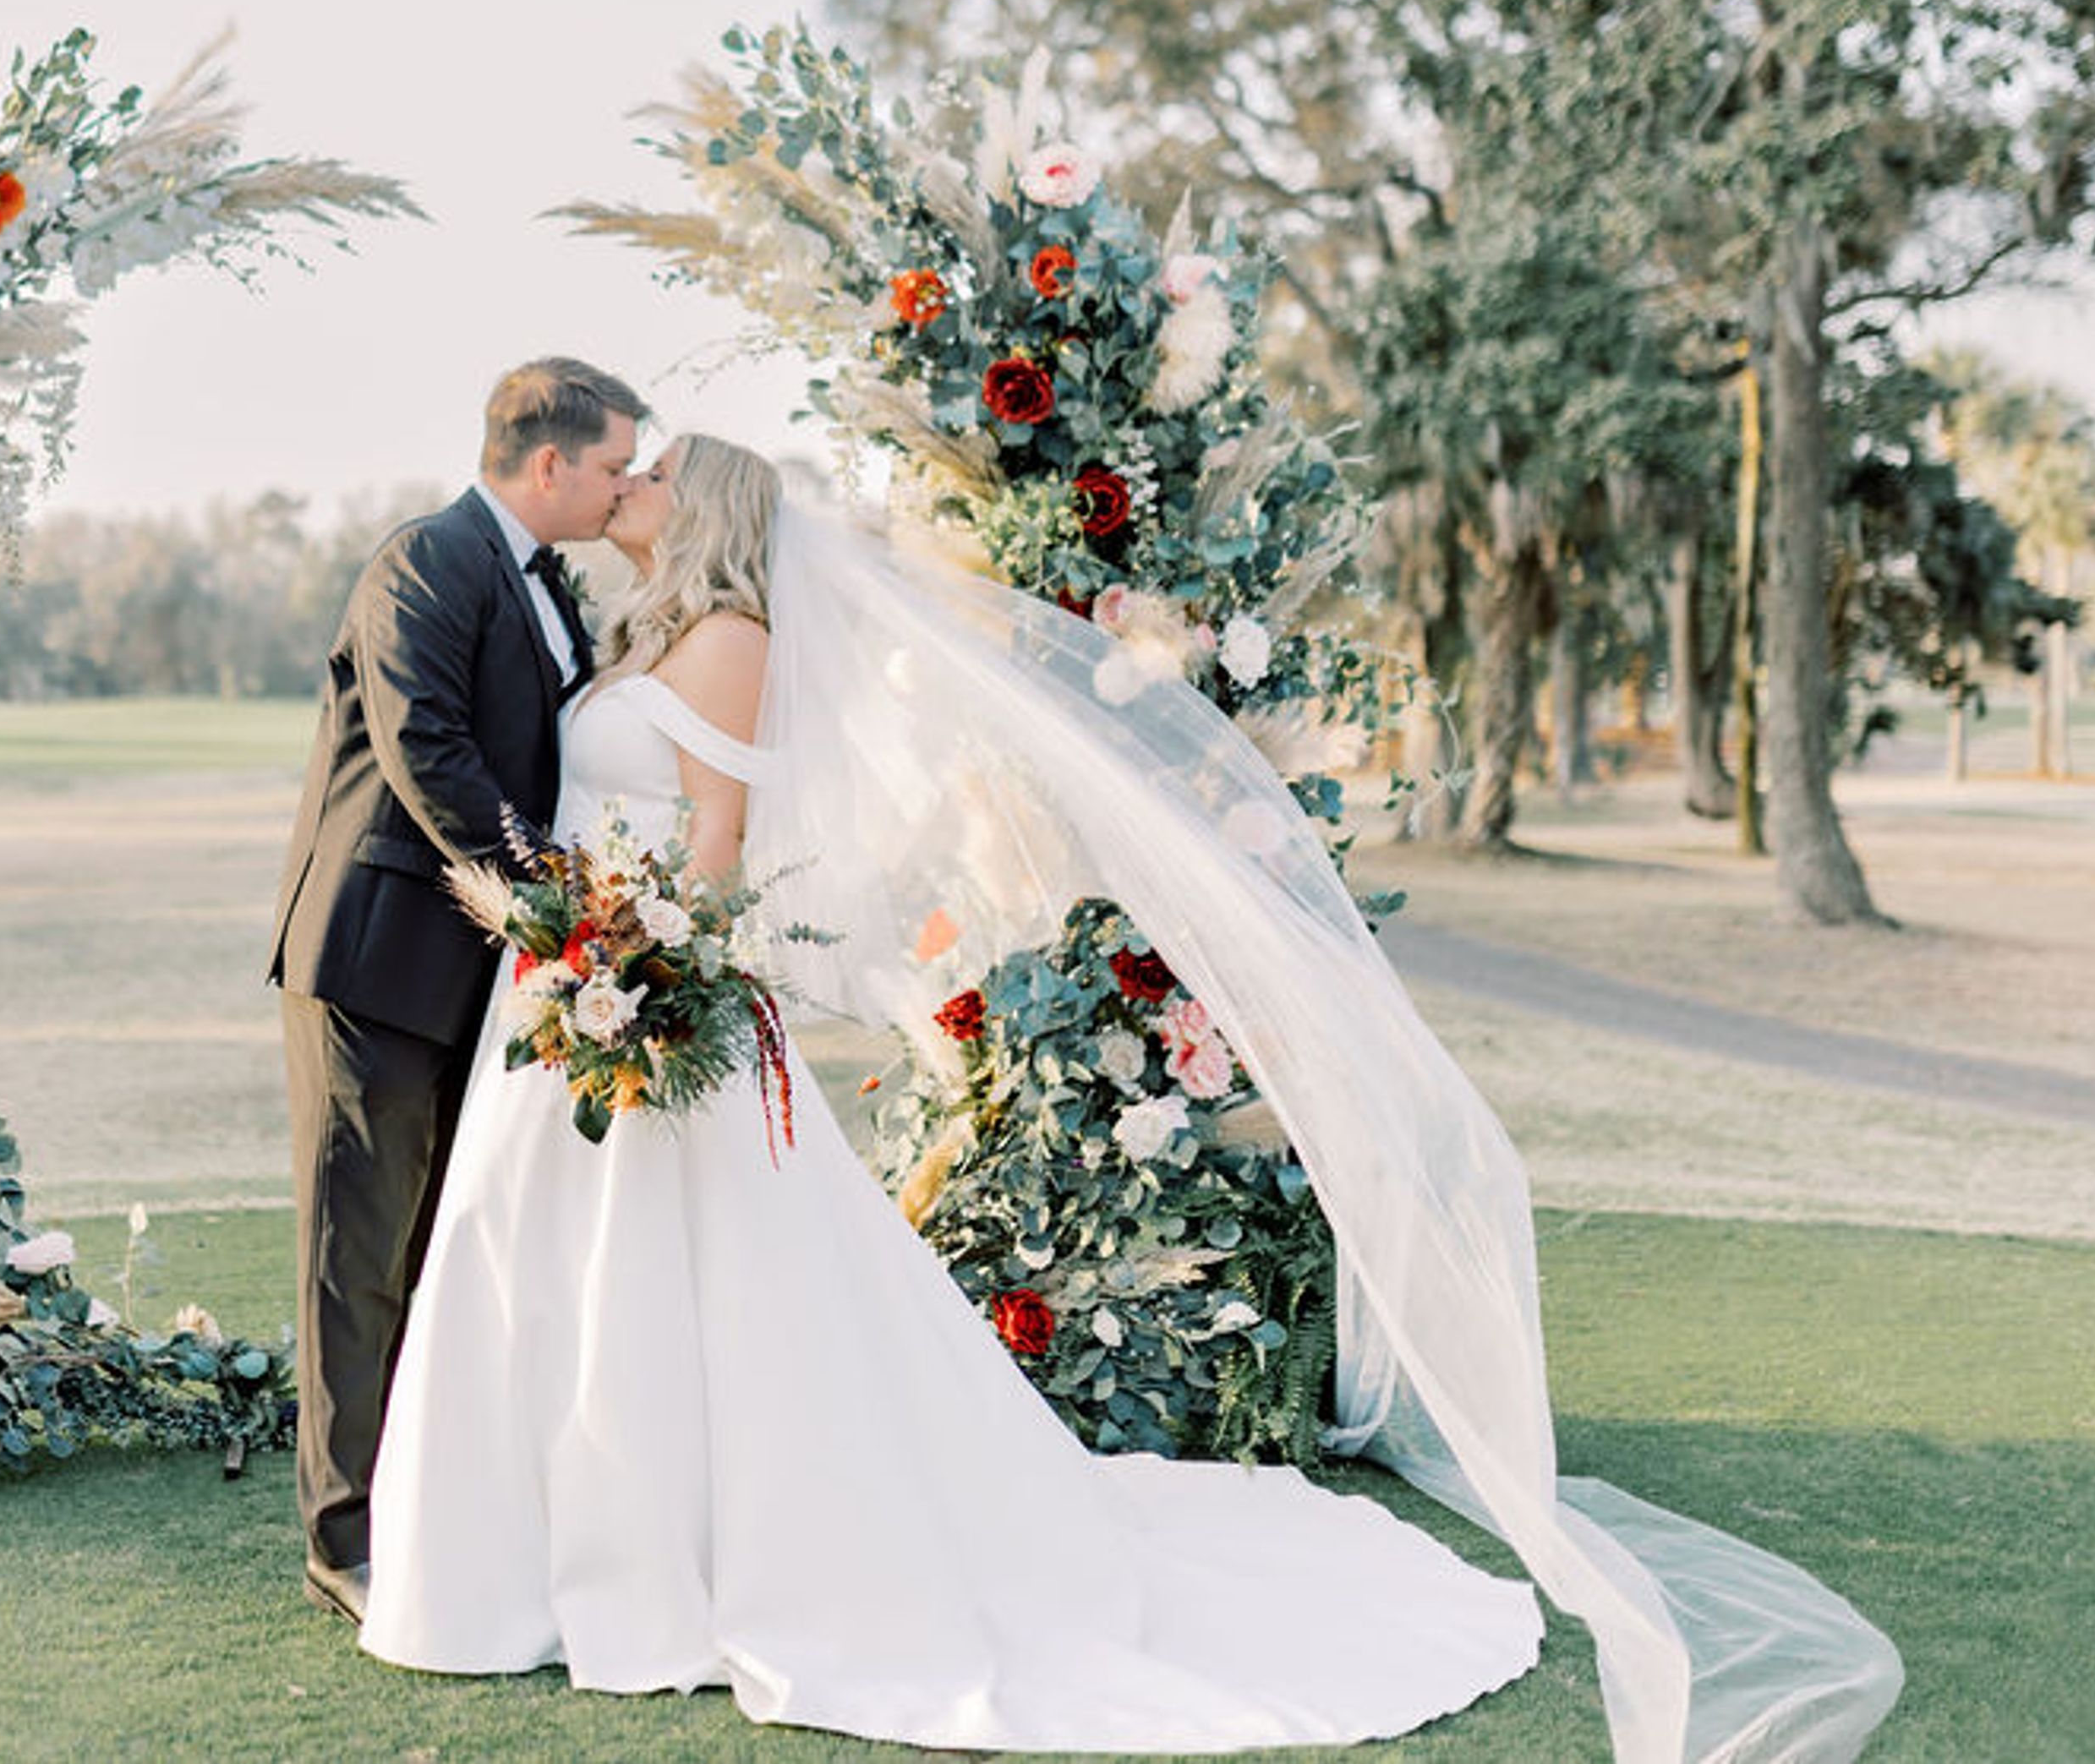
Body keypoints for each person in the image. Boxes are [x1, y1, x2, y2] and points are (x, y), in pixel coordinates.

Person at [358, 435, 1902, 1760]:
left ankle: (676, 1562)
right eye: (624, 464)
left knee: (676, 1294)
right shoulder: (638, 629)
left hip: (646, 993)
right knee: (544, 1268)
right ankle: (533, 1556)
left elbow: (719, 841)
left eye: (655, 471)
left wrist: (640, 964)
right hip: (574, 992)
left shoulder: (731, 636)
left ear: (703, 511)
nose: (630, 480)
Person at [265, 355, 647, 1625]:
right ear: (550, 462)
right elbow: (427, 747)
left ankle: (424, 1502)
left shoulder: (547, 582)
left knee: (437, 1242)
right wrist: (552, 891)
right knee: (356, 1252)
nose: (622, 485)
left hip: (476, 969)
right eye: (612, 465)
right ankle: (342, 1536)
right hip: (376, 958)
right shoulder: (426, 560)